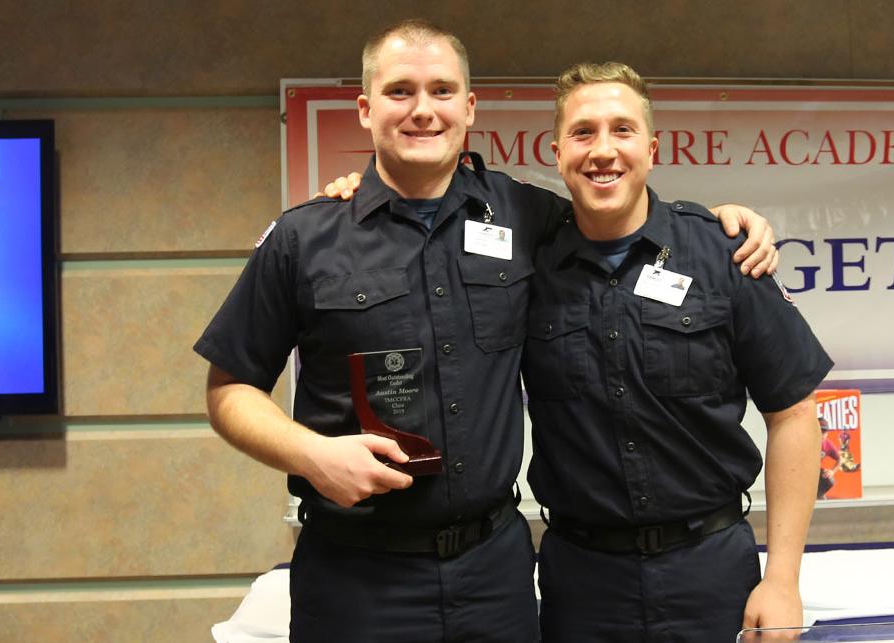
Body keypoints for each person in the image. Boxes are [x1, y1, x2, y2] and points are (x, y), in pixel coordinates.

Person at [196, 20, 781, 643]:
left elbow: (622, 211)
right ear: (366, 110)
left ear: (469, 107)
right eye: (400, 92)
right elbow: (228, 389)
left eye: (442, 91)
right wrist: (311, 455)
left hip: (494, 578)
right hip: (354, 576)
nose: (423, 110)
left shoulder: (527, 214)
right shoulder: (304, 238)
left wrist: (718, 223)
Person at [521, 62, 833, 641]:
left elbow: (793, 414)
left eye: (623, 130)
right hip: (581, 585)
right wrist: (356, 187)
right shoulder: (527, 267)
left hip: (711, 573)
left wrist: (783, 578)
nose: (604, 150)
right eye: (584, 132)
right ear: (558, 151)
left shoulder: (723, 253)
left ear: (653, 148)